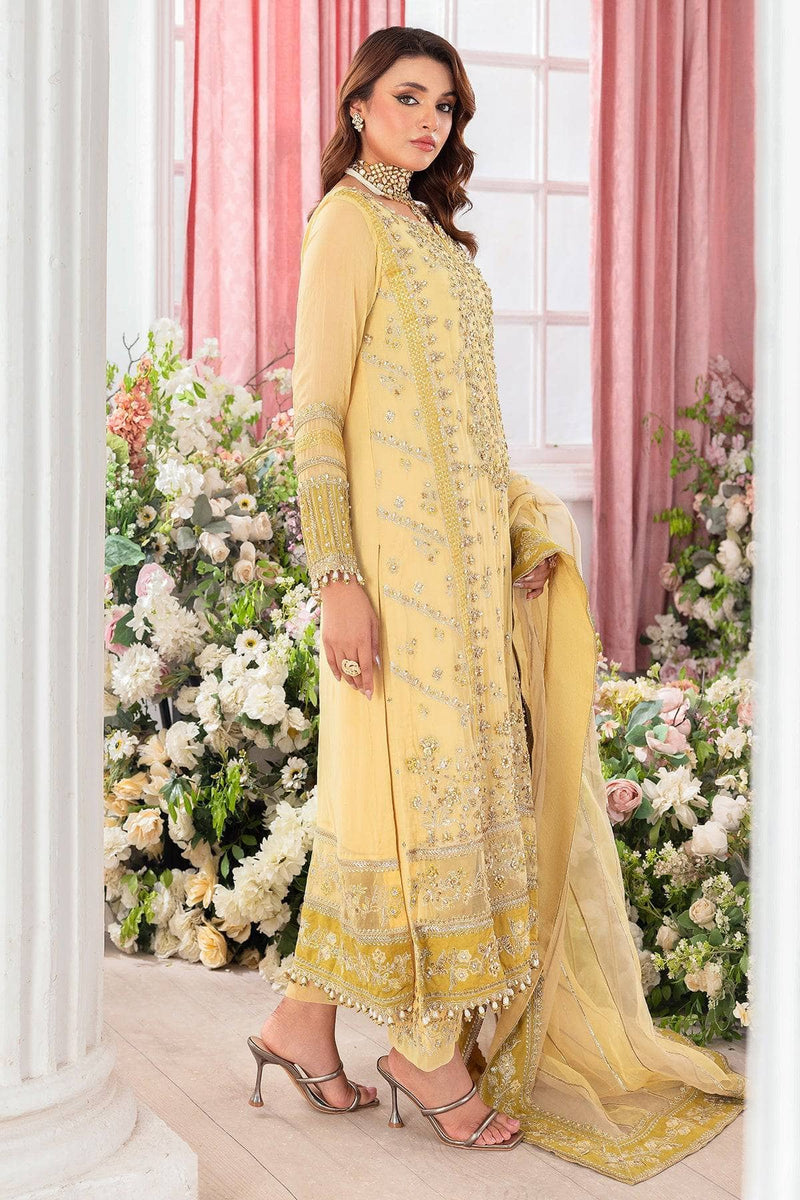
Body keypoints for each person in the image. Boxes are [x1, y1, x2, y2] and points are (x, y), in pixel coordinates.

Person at [249, 25, 746, 1177]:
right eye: (408, 97)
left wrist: (520, 531)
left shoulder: (431, 235)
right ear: (358, 105)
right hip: (392, 586)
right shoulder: (345, 225)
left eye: (446, 107)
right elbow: (316, 418)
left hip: (466, 587)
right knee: (409, 807)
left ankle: (298, 1026)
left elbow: (473, 429)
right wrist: (338, 582)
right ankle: (423, 1054)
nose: (430, 121)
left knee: (419, 802)